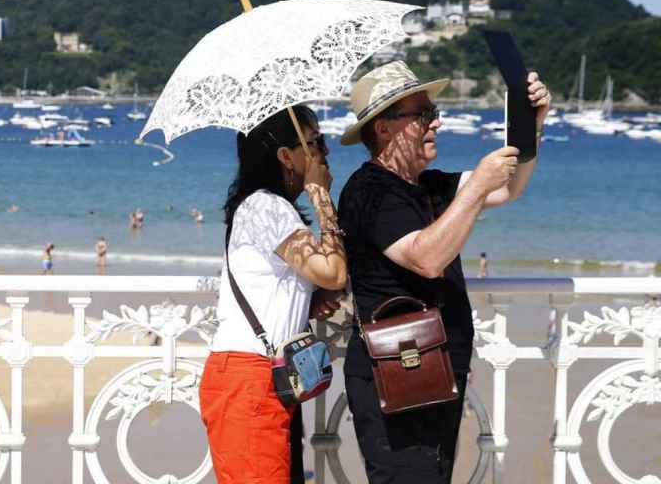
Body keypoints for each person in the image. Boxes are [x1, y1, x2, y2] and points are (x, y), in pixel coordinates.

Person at [336, 61, 550, 483]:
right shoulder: (368, 191)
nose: (436, 122)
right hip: (396, 375)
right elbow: (426, 258)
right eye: (423, 115)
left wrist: (531, 128)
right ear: (383, 129)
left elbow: (509, 188)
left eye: (433, 112)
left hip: (434, 371)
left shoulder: (428, 186)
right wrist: (474, 188)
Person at [199, 105, 347, 484]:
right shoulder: (267, 207)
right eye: (315, 143)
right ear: (286, 156)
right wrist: (322, 198)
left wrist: (308, 303)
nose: (324, 153)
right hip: (251, 379)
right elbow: (332, 271)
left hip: (262, 378)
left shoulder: (267, 208)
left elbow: (273, 283)